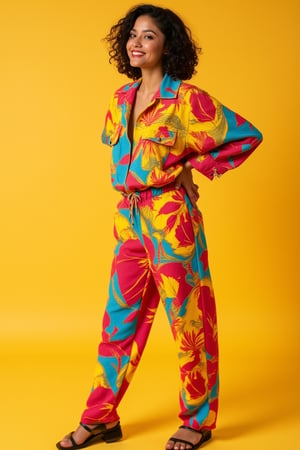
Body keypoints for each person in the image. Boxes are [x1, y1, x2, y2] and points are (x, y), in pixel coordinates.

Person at [56, 4, 263, 450]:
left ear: (168, 45)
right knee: (118, 324)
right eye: (132, 34)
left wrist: (197, 166)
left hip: (171, 219)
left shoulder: (188, 100)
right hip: (129, 219)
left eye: (149, 35)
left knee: (188, 319)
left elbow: (247, 135)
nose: (136, 42)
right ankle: (100, 418)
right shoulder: (119, 99)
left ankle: (198, 420)